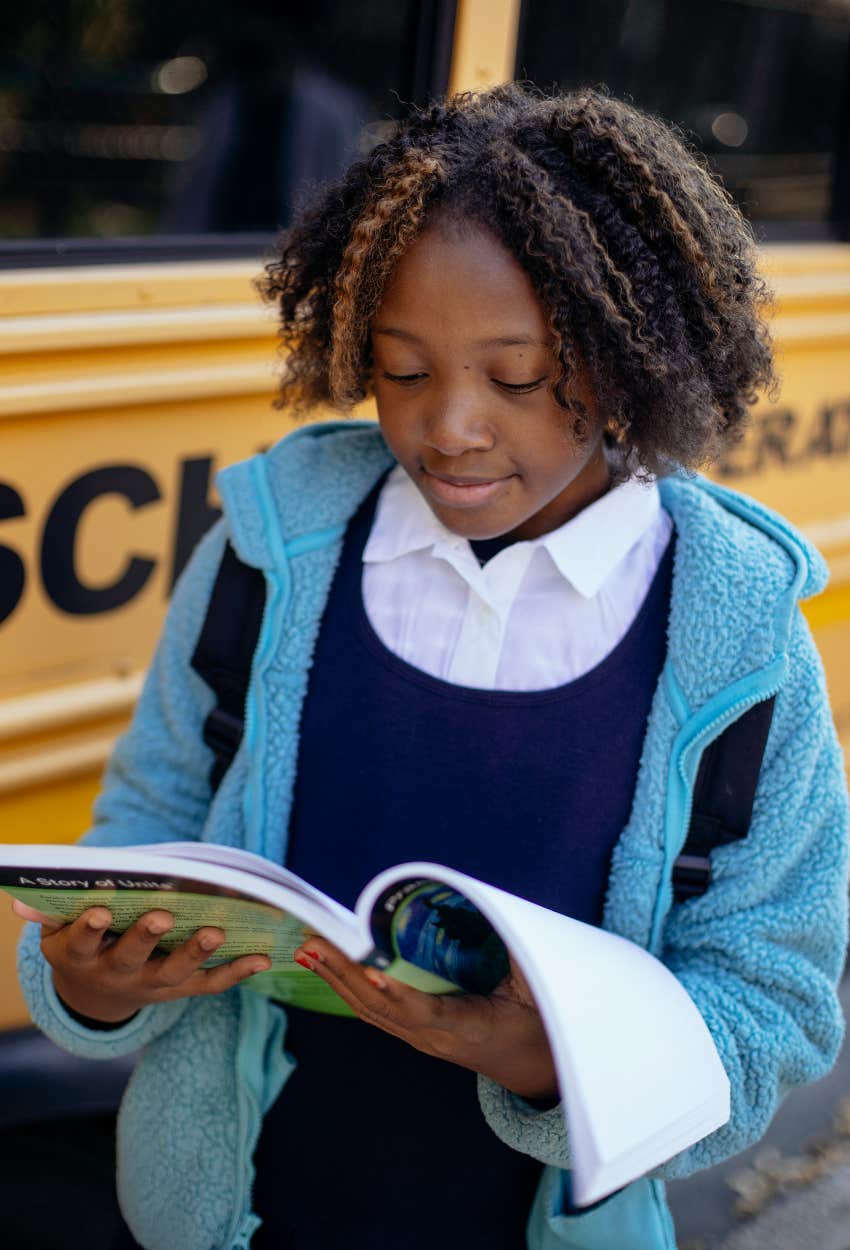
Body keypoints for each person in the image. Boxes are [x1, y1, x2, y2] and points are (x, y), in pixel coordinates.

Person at [13, 84, 849, 1250]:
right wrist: (95, 982)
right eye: (402, 370)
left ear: (627, 357)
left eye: (514, 376)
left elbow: (775, 997)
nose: (449, 425)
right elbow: (140, 825)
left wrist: (558, 1063)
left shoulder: (740, 635)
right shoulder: (267, 554)